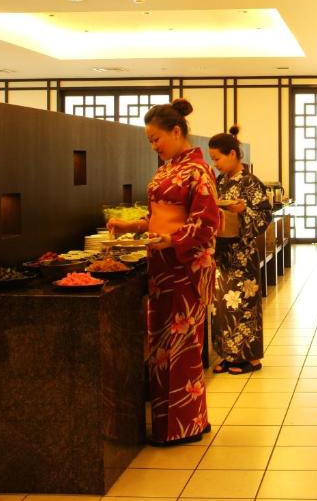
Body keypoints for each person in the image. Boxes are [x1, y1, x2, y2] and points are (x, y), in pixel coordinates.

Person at [107, 98, 220, 446]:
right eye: (150, 141)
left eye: (157, 138)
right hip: (163, 264)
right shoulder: (168, 168)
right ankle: (188, 420)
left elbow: (206, 224)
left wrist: (170, 239)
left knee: (182, 346)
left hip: (185, 266)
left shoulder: (198, 171)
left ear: (176, 131)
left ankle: (180, 428)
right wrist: (133, 227)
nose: (153, 146)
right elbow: (160, 217)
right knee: (161, 346)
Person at [207, 126, 271, 375]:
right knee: (220, 307)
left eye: (218, 158)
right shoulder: (220, 182)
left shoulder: (251, 182)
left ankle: (249, 358)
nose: (216, 164)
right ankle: (227, 353)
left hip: (242, 255)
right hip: (221, 253)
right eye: (213, 160)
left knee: (243, 306)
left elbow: (264, 216)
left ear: (233, 154)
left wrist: (244, 210)